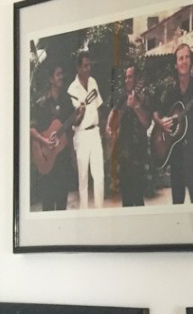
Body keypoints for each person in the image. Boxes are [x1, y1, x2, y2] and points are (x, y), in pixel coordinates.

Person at [155, 43, 193, 204]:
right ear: (176, 64)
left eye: (187, 57)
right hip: (176, 154)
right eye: (180, 58)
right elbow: (156, 112)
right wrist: (161, 122)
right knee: (178, 203)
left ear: (191, 61)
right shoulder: (170, 90)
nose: (184, 61)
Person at [29, 62, 75, 210]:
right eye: (58, 74)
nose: (61, 77)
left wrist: (80, 115)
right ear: (51, 79)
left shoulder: (67, 101)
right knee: (48, 205)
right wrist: (44, 140)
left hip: (62, 159)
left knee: (62, 204)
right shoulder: (41, 103)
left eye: (62, 74)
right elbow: (31, 128)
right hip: (46, 158)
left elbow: (73, 123)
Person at [106, 65, 152, 207]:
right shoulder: (122, 96)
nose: (126, 80)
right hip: (123, 153)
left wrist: (136, 106)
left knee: (138, 197)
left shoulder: (144, 97)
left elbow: (147, 123)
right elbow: (114, 111)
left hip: (138, 153)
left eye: (130, 77)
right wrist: (108, 126)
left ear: (137, 79)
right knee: (126, 198)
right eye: (125, 77)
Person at [68, 51, 107, 208]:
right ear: (78, 68)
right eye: (85, 66)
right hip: (81, 135)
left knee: (99, 176)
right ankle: (84, 212)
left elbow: (99, 107)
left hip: (95, 133)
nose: (88, 68)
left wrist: (105, 130)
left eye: (89, 65)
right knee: (83, 179)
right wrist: (81, 112)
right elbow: (75, 122)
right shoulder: (72, 89)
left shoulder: (93, 82)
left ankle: (99, 211)